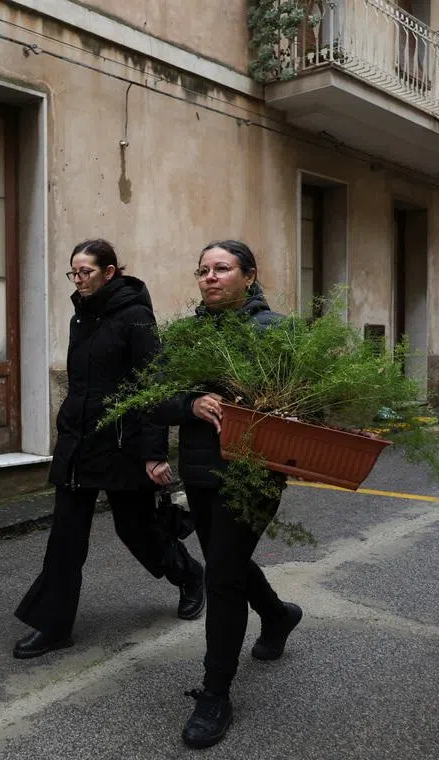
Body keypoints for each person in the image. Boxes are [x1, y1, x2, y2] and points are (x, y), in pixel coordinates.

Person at [12, 239, 206, 660]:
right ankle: (55, 625)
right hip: (79, 443)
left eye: (86, 272)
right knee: (65, 538)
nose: (78, 280)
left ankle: (190, 575)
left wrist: (154, 453)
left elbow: (153, 386)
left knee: (134, 529)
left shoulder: (136, 318)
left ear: (110, 272)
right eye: (74, 273)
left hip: (122, 444)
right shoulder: (79, 318)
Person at [171, 240, 304, 749]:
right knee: (226, 561)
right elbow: (154, 397)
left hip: (252, 473)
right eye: (202, 269)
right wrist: (189, 401)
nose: (209, 277)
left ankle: (216, 693)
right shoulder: (185, 334)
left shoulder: (277, 330)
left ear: (249, 276)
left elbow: (306, 399)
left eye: (221, 268)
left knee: (222, 578)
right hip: (201, 472)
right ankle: (277, 614)